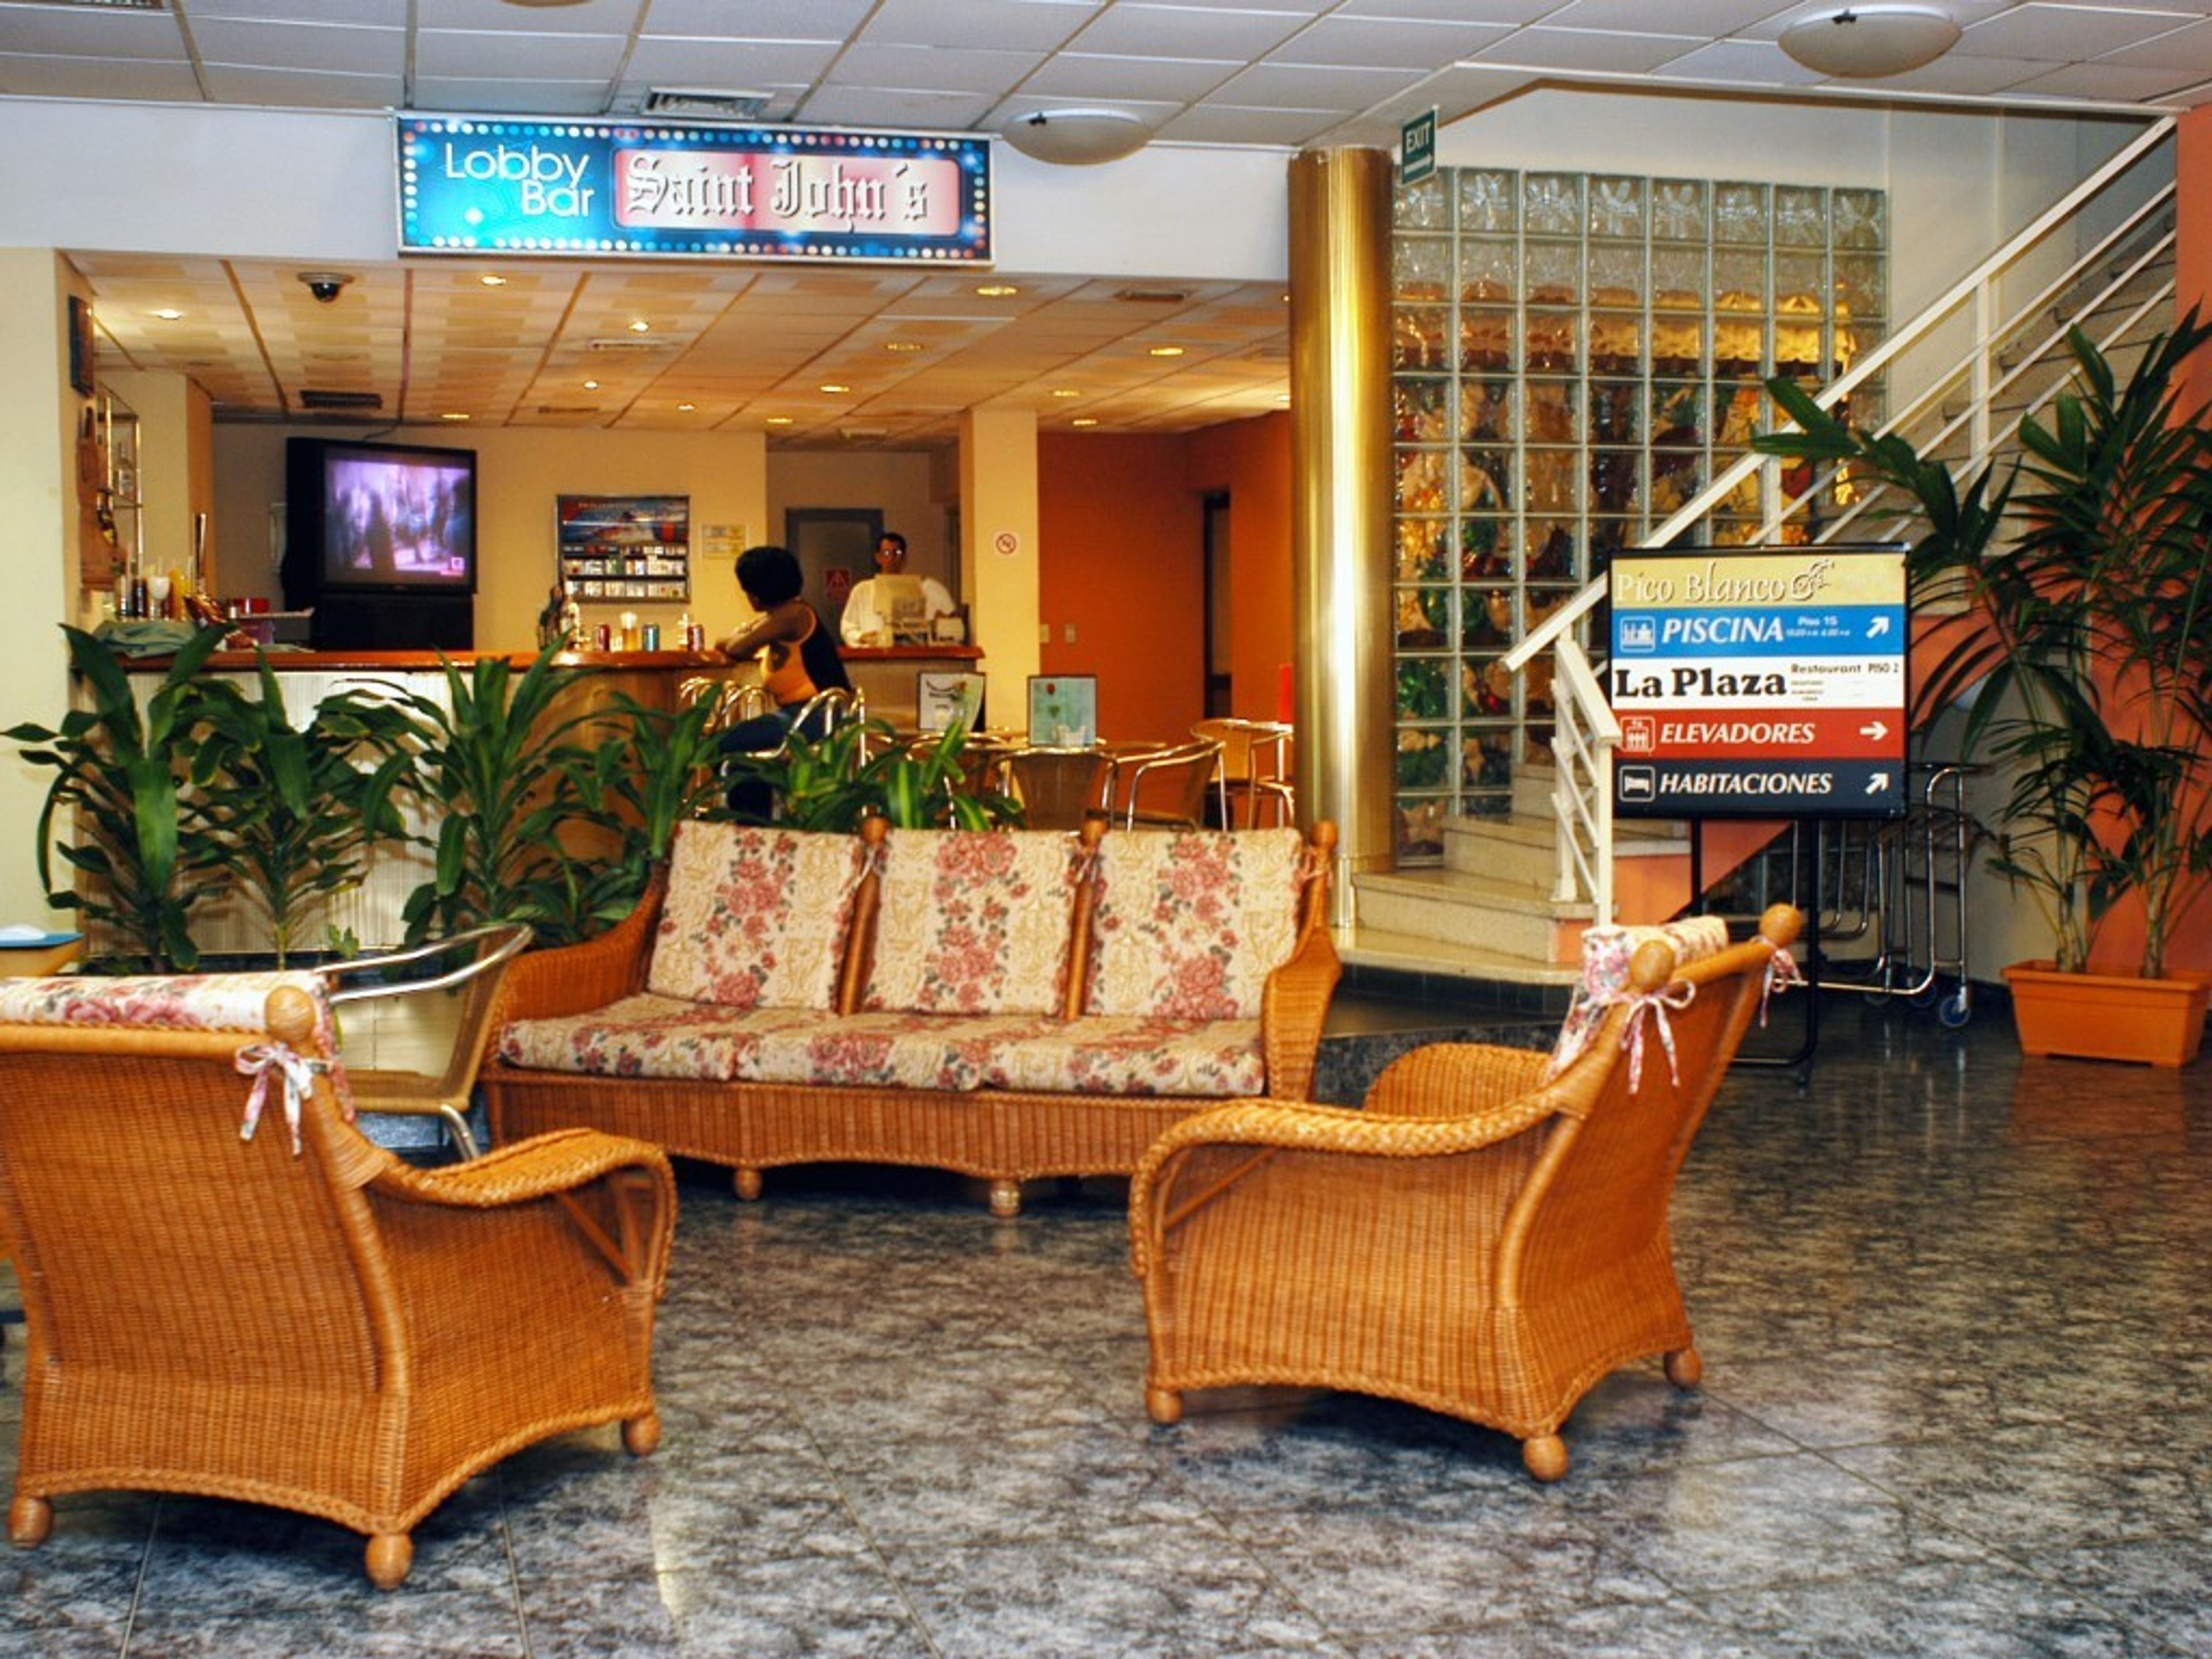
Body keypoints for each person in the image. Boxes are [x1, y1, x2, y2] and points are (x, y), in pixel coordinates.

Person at [712, 544, 854, 819]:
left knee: (723, 744)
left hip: (816, 716)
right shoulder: (784, 615)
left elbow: (739, 647)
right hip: (802, 714)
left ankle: (753, 823)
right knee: (742, 748)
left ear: (756, 592)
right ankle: (755, 820)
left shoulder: (793, 615)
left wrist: (735, 637)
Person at [839, 531, 957, 646]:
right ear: (878, 557)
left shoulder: (926, 588)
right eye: (886, 553)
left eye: (897, 553)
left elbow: (950, 621)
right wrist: (861, 637)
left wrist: (940, 625)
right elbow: (847, 627)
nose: (891, 558)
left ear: (905, 558)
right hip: (873, 656)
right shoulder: (862, 590)